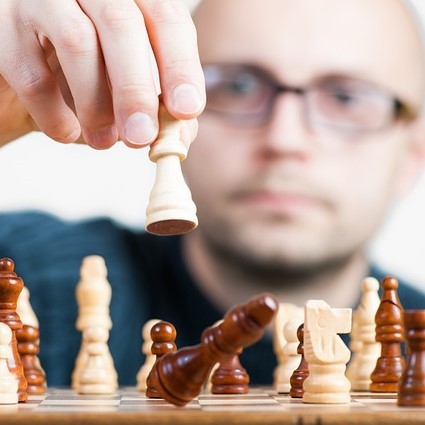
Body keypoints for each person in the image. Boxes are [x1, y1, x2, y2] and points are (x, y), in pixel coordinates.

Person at [1, 0, 425, 386]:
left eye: (346, 97)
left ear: (414, 151)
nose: (285, 139)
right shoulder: (33, 279)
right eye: (237, 86)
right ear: (165, 98)